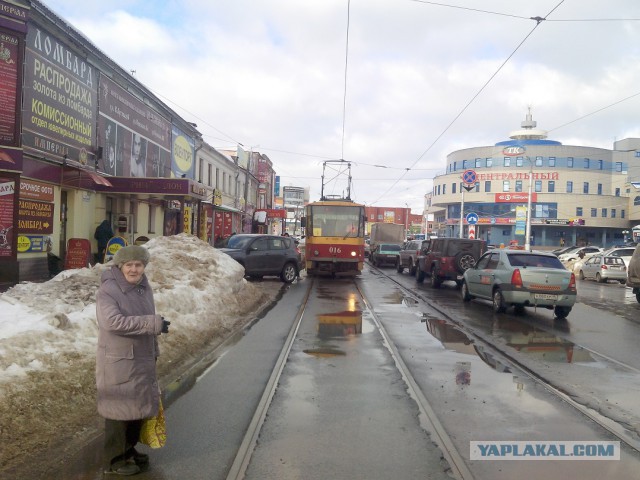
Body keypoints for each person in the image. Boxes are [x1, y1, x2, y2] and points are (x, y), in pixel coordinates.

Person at [95, 245, 170, 475]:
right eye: (129, 265)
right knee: (119, 411)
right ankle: (114, 460)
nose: (134, 269)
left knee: (137, 409)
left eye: (138, 265)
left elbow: (148, 323)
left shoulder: (143, 288)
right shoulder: (108, 291)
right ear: (120, 266)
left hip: (141, 359)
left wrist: (154, 349)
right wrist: (153, 323)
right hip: (119, 361)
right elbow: (112, 322)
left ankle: (129, 450)